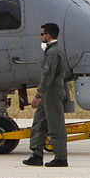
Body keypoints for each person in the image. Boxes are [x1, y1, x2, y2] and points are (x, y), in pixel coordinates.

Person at [24, 22, 69, 167]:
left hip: (52, 93)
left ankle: (61, 157)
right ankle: (37, 154)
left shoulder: (53, 52)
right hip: (47, 93)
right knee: (39, 122)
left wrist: (38, 95)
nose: (41, 36)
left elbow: (48, 76)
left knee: (56, 125)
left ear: (48, 35)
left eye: (42, 34)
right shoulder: (50, 50)